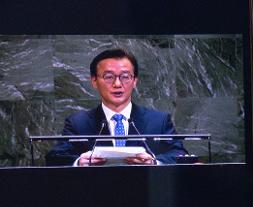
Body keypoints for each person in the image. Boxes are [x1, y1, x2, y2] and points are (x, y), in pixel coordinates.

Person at [46, 48, 185, 166]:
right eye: (108, 77)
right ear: (94, 81)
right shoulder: (77, 123)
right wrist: (79, 162)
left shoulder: (158, 120)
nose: (117, 84)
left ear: (135, 81)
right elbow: (56, 157)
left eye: (125, 76)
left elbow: (180, 155)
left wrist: (154, 162)